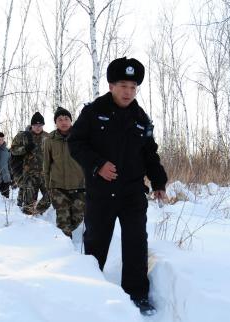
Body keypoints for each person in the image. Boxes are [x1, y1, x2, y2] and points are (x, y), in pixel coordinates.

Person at [68, 57, 168, 316]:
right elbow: (75, 143)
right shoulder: (93, 112)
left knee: (136, 243)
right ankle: (91, 291)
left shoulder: (141, 119)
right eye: (123, 85)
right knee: (95, 243)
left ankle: (137, 295)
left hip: (133, 193)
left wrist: (158, 181)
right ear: (111, 85)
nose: (128, 91)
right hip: (101, 193)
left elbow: (150, 155)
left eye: (133, 87)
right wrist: (97, 164)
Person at [43, 107, 85, 238]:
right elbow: (46, 164)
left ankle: (69, 235)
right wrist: (48, 186)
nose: (63, 122)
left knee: (77, 217)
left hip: (79, 186)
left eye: (66, 119)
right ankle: (64, 250)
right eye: (60, 119)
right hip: (58, 187)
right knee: (63, 221)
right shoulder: (49, 140)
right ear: (56, 123)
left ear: (71, 121)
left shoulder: (80, 136)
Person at [11, 112, 51, 215]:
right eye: (35, 125)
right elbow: (13, 150)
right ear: (31, 125)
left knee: (50, 197)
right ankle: (29, 222)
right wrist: (24, 149)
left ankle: (39, 214)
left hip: (45, 175)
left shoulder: (48, 137)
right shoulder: (23, 136)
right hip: (29, 175)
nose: (37, 127)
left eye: (40, 125)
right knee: (28, 203)